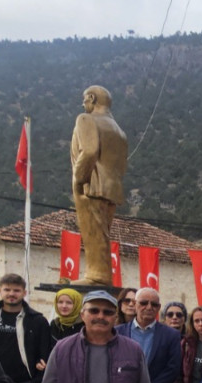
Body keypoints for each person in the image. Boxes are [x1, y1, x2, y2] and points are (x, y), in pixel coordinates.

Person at [70, 85, 128, 286]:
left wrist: (79, 179)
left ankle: (97, 275)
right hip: (112, 186)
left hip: (92, 182)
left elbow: (89, 151)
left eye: (85, 99)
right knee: (102, 232)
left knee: (93, 230)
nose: (83, 104)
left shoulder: (86, 119)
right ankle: (100, 273)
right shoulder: (119, 131)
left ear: (92, 98)